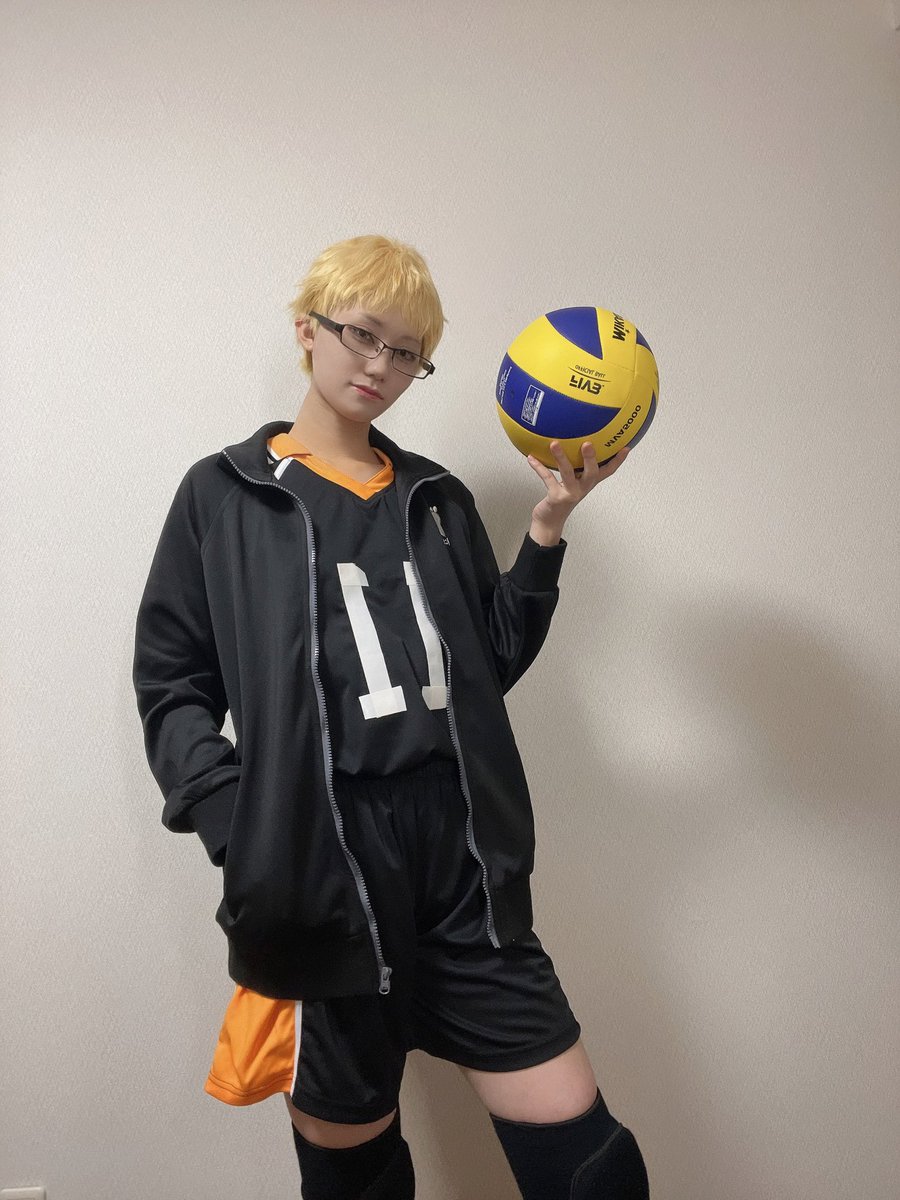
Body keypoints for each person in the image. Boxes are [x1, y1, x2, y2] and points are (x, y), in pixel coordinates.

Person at [132, 234, 649, 1198]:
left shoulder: (436, 498)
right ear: (308, 329)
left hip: (461, 859)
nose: (381, 365)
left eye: (407, 352)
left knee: (594, 1173)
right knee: (357, 1182)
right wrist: (240, 825)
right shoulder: (224, 495)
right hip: (321, 868)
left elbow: (486, 666)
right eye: (363, 335)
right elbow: (172, 683)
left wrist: (545, 533)